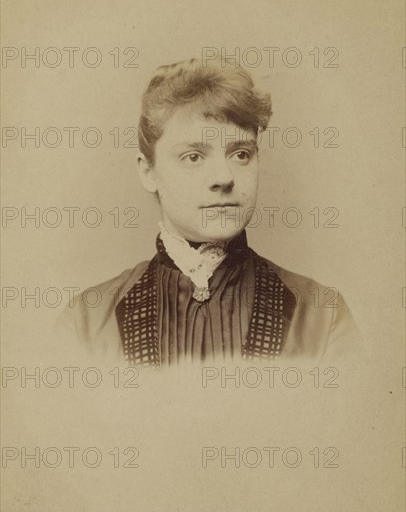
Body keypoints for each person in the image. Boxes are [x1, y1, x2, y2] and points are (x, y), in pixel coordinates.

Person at [55, 57, 362, 368]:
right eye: (193, 156)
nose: (223, 177)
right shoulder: (86, 323)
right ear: (148, 172)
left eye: (241, 154)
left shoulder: (323, 317)